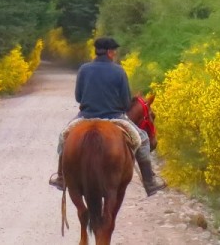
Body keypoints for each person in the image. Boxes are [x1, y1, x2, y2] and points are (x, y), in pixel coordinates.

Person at [48, 36, 165, 196]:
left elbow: (78, 97)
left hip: (86, 116)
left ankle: (61, 177)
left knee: (64, 137)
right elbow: (125, 103)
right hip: (114, 117)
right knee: (143, 139)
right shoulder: (119, 71)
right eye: (114, 52)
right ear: (110, 52)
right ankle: (149, 181)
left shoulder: (84, 69)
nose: (115, 54)